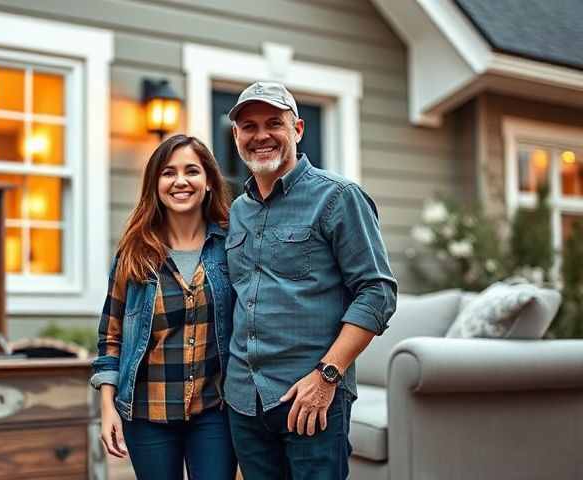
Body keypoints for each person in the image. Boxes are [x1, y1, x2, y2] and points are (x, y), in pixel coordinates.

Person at [223, 81, 398, 479]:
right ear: (236, 136)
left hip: (311, 398)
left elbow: (377, 292)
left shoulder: (338, 196)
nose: (261, 135)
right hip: (243, 400)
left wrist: (327, 375)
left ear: (297, 129)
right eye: (248, 126)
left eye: (274, 123)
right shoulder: (237, 211)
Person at [90, 134, 237, 480]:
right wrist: (108, 407)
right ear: (155, 184)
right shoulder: (134, 255)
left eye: (192, 171)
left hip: (214, 412)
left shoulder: (232, 247)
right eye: (169, 173)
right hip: (146, 414)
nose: (181, 181)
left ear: (209, 182)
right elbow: (111, 339)